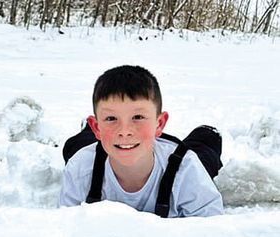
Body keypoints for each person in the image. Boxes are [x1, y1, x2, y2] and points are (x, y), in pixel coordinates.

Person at [59, 65, 224, 217]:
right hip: (104, 148)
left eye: (137, 117)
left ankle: (207, 133)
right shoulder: (80, 167)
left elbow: (211, 234)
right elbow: (69, 232)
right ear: (96, 127)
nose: (124, 131)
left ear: (159, 123)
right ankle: (94, 129)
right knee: (76, 146)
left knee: (203, 152)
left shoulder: (187, 169)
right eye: (111, 118)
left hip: (168, 156)